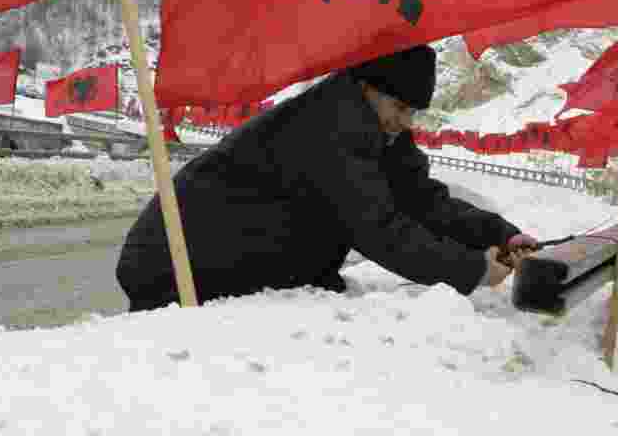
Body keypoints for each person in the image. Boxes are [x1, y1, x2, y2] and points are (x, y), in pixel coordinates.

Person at [115, 44, 538, 311]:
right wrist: (470, 270)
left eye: (413, 112)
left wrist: (499, 235)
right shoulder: (329, 128)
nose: (405, 122)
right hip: (177, 268)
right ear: (368, 89)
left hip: (218, 261)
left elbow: (423, 201)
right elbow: (376, 229)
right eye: (400, 107)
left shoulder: (373, 126)